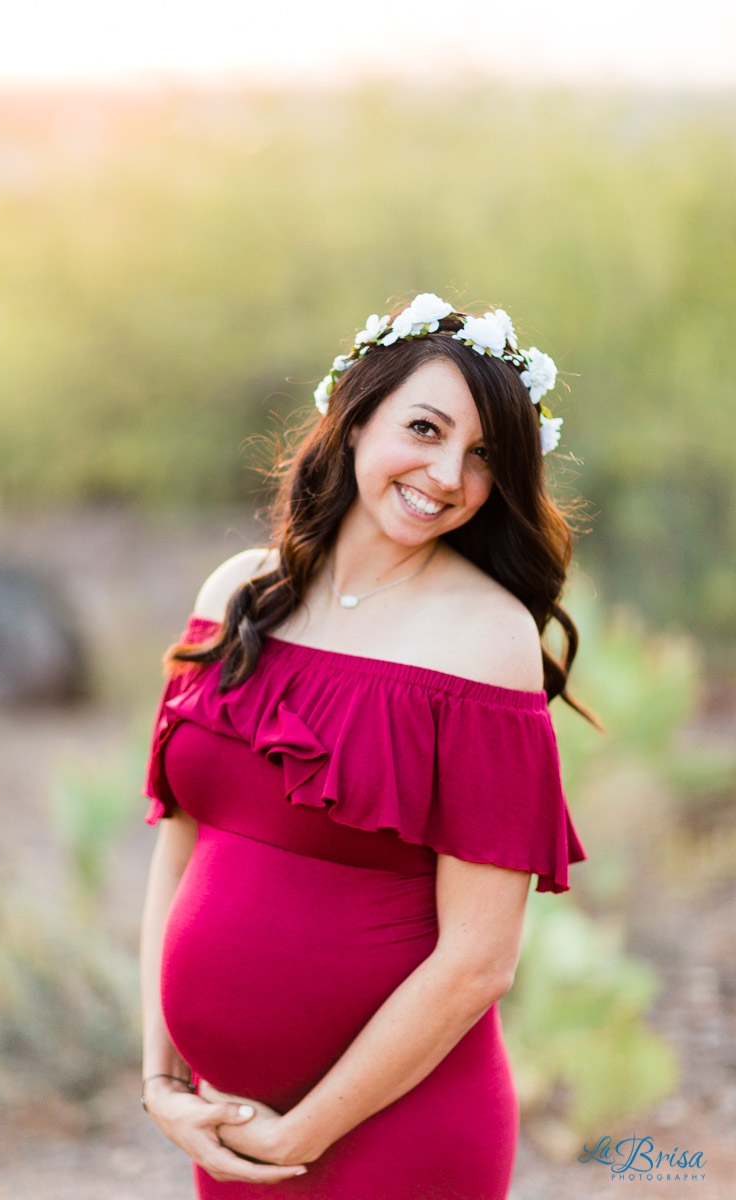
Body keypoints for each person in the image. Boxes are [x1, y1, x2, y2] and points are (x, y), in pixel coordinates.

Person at [139, 292, 593, 1199]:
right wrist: (160, 1079)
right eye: (423, 429)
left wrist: (300, 1134)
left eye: (482, 458)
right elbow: (176, 853)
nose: (446, 475)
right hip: (227, 1118)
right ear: (352, 418)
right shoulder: (238, 593)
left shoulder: (486, 641)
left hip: (400, 1129)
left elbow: (478, 961)